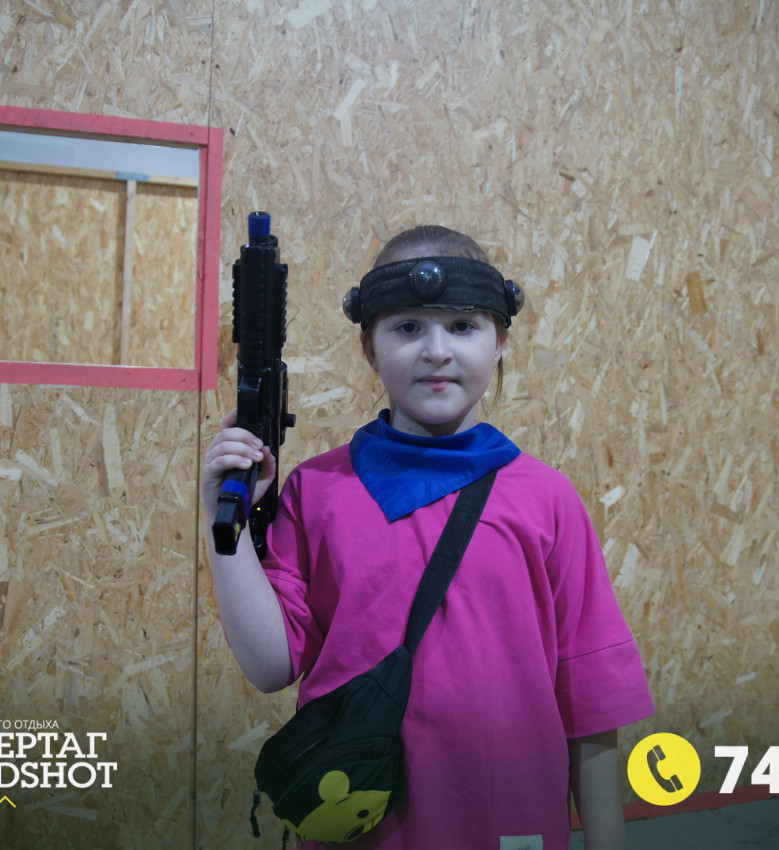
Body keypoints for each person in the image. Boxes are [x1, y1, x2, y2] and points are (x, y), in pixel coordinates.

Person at [201, 225, 655, 849]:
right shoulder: (317, 491)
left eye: (463, 326)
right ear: (370, 348)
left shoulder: (547, 500)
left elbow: (592, 705)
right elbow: (269, 665)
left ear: (500, 343)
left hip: (511, 826)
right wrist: (221, 519)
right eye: (408, 328)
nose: (436, 351)